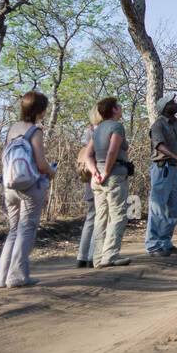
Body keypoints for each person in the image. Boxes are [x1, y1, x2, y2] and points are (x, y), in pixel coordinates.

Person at [0, 91, 56, 288]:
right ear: (40, 111)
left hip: (10, 184)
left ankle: (1, 278)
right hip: (31, 185)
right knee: (27, 228)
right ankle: (18, 276)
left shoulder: (13, 128)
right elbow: (40, 162)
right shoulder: (35, 132)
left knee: (13, 230)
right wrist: (50, 171)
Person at [90, 96, 132, 268]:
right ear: (113, 110)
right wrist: (106, 172)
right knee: (118, 215)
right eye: (119, 106)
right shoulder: (117, 126)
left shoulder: (97, 129)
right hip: (114, 176)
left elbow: (87, 155)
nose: (121, 108)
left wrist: (95, 172)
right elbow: (113, 150)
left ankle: (98, 258)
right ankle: (110, 255)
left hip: (97, 179)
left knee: (101, 217)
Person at [146, 95, 177, 257]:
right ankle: (153, 245)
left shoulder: (176, 124)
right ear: (165, 107)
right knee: (158, 208)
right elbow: (159, 145)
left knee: (173, 208)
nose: (176, 104)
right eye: (172, 102)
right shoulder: (158, 125)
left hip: (176, 170)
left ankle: (165, 242)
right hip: (162, 169)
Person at [75, 106, 103, 268]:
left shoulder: (89, 131)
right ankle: (93, 255)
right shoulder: (101, 131)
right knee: (99, 217)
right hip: (99, 176)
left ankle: (82, 255)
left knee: (90, 218)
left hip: (89, 177)